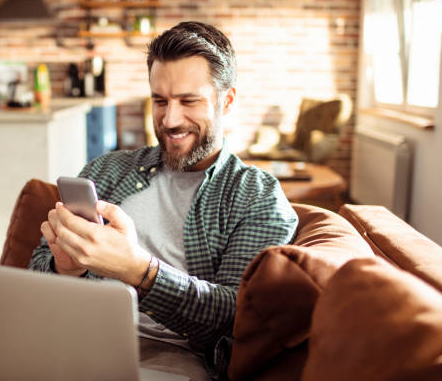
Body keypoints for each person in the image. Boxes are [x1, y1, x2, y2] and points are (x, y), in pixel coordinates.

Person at [29, 21, 298, 380]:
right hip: (74, 341)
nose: (170, 120)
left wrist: (137, 270)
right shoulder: (107, 170)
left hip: (171, 359)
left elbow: (236, 316)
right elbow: (34, 272)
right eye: (160, 101)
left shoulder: (256, 197)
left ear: (226, 100)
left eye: (189, 101)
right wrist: (65, 267)